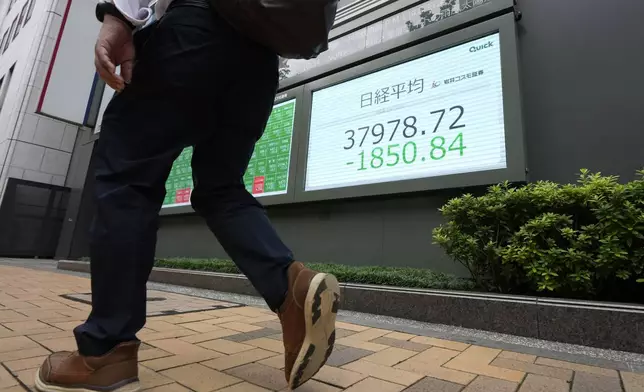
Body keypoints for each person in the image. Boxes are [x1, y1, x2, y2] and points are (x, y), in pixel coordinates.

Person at [34, 0, 340, 390]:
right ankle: (290, 288)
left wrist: (119, 16)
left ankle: (106, 353)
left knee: (128, 180)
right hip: (261, 60)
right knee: (222, 188)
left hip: (195, 31)